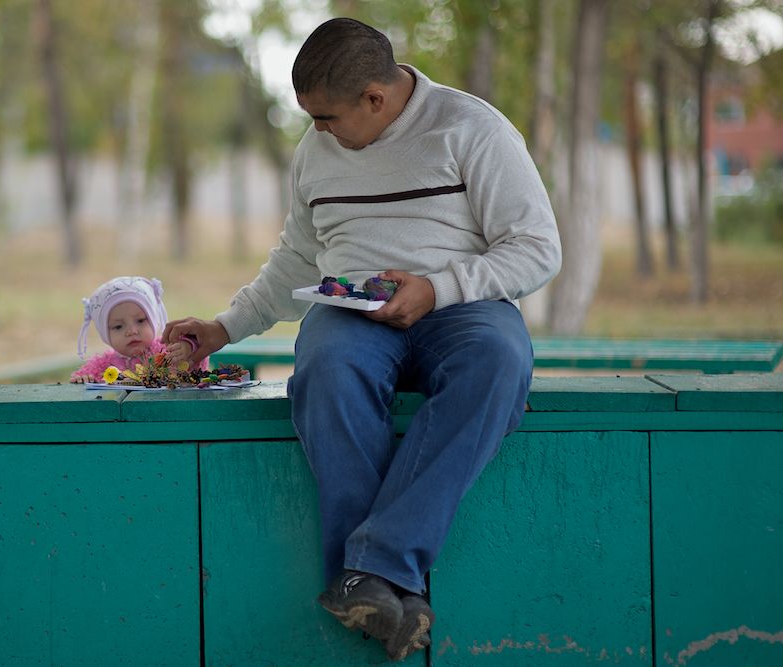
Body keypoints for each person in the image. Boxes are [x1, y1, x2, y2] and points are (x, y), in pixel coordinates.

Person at [164, 17, 562, 662]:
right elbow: (297, 256)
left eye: (326, 117)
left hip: (462, 308)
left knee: (499, 363)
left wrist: (436, 289)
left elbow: (537, 249)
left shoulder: (472, 128)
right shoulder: (316, 149)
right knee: (324, 364)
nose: (317, 131)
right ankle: (379, 584)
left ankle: (373, 571)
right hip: (349, 314)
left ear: (375, 98)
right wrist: (222, 327)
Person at [72, 276, 204, 384]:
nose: (132, 331)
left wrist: (187, 347)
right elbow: (81, 378)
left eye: (141, 320)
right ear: (105, 334)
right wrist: (83, 379)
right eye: (118, 326)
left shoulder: (166, 351)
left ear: (153, 320)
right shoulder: (102, 365)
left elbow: (196, 361)